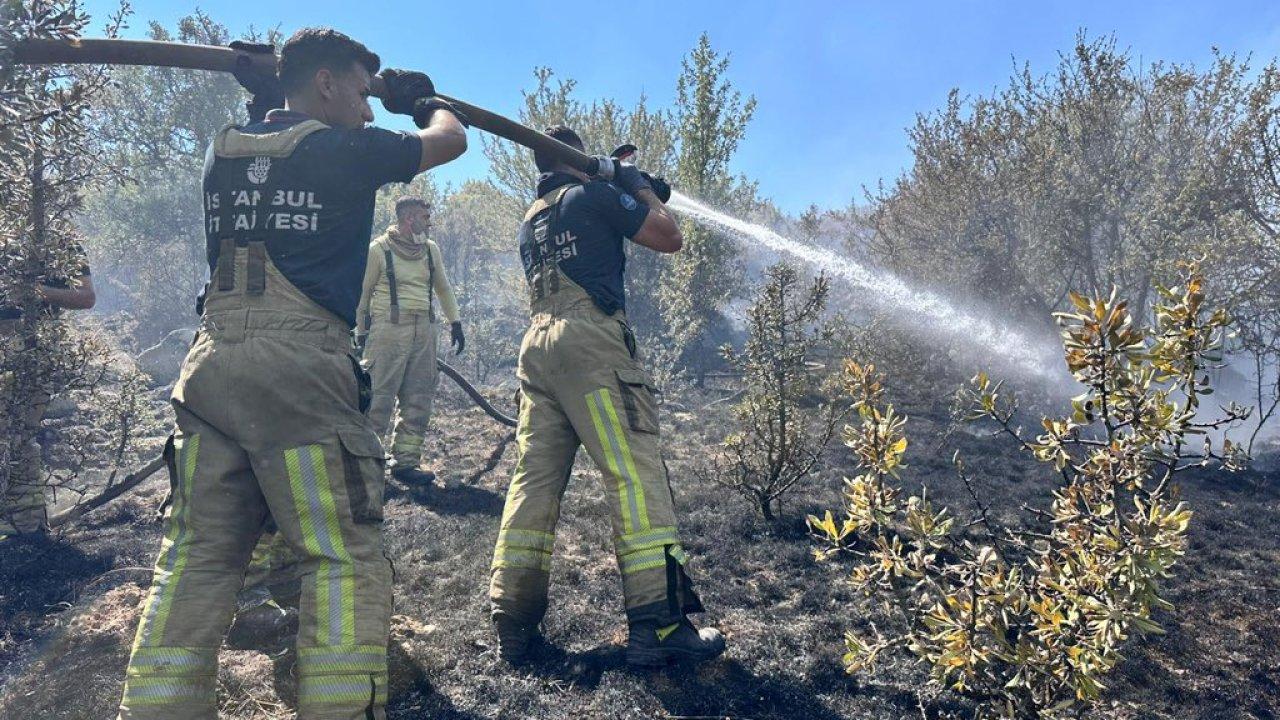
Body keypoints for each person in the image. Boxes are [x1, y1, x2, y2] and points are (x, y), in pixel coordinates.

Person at [117, 27, 467, 720]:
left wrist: (265, 96)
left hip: (212, 371)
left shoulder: (224, 151)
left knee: (196, 558)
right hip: (300, 375)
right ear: (327, 85)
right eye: (363, 95)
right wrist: (423, 100)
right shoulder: (345, 150)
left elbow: (267, 159)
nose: (370, 111)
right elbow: (451, 140)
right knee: (339, 556)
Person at [489, 125, 725, 668]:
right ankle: (660, 626)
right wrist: (636, 185)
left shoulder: (533, 219)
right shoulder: (592, 195)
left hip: (538, 349)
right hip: (592, 349)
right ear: (577, 159)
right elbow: (669, 236)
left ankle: (513, 623)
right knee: (634, 475)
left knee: (534, 482)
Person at [356, 195, 464, 484]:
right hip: (388, 331)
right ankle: (368, 467)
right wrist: (359, 333)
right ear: (408, 219)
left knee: (418, 398)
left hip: (424, 330)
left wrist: (456, 322)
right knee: (378, 398)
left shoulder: (430, 250)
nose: (429, 223)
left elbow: (443, 287)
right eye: (425, 218)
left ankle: (405, 463)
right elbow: (363, 295)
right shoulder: (378, 250)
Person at [0, 247, 95, 538]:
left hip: (34, 353)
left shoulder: (60, 241)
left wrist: (35, 292)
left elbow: (86, 297)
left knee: (19, 435)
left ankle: (25, 524)